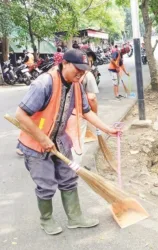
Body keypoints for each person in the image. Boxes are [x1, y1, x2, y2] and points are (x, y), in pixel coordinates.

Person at [15, 49, 120, 236]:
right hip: (36, 144)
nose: (80, 74)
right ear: (64, 63)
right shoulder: (44, 83)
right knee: (46, 185)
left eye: (83, 70)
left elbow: (86, 112)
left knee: (69, 179)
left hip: (60, 141)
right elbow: (20, 115)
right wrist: (42, 138)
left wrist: (106, 129)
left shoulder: (76, 84)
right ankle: (46, 219)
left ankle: (75, 217)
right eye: (77, 69)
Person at [71, 48, 99, 164]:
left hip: (65, 114)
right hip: (78, 114)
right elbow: (91, 98)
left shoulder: (67, 73)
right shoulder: (88, 75)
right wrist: (95, 115)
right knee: (77, 143)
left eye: (90, 61)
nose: (89, 63)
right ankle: (74, 168)